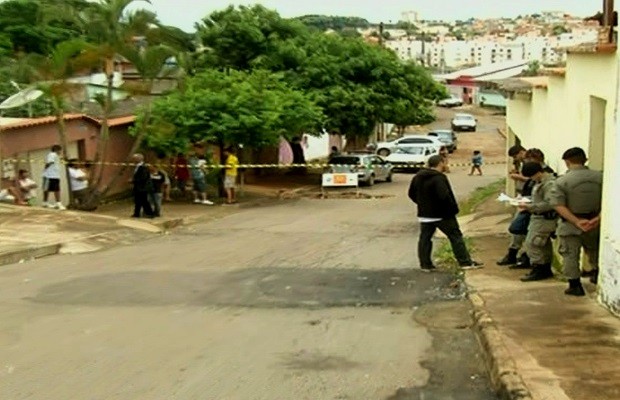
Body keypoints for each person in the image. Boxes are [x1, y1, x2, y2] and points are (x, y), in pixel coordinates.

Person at [408, 155, 483, 271]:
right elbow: (444, 196)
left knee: (425, 238)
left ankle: (425, 264)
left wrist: (422, 204)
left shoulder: (418, 177)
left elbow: (411, 194)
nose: (446, 165)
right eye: (445, 163)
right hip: (442, 215)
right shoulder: (439, 178)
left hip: (424, 214)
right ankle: (465, 262)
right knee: (455, 236)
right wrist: (452, 209)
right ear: (440, 163)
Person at [549, 147, 603, 296]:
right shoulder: (601, 177)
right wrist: (597, 219)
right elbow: (610, 200)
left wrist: (577, 221)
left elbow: (559, 205)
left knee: (570, 255)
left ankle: (575, 285)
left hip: (570, 224)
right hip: (595, 222)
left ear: (567, 162)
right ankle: (597, 276)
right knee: (595, 251)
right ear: (585, 160)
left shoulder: (561, 181)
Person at [516, 162, 558, 282]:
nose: (531, 179)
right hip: (538, 217)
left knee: (533, 243)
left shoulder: (549, 184)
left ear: (538, 173)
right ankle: (543, 268)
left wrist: (530, 207)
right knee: (541, 244)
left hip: (544, 218)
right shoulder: (540, 182)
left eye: (532, 176)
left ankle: (539, 268)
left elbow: (550, 203)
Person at [130, 153, 155, 218]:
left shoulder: (143, 167)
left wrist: (133, 181)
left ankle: (150, 213)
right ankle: (137, 213)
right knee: (138, 200)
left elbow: (143, 177)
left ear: (138, 159)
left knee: (144, 201)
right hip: (139, 187)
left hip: (142, 187)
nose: (133, 160)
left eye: (134, 158)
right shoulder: (138, 166)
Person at [42, 145, 65, 210]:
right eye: (60, 150)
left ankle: (45, 203)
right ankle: (58, 203)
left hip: (53, 175)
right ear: (57, 150)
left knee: (49, 189)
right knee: (55, 189)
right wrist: (45, 168)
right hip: (50, 175)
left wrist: (62, 158)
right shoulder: (52, 154)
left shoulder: (56, 156)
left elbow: (60, 161)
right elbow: (50, 162)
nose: (61, 152)